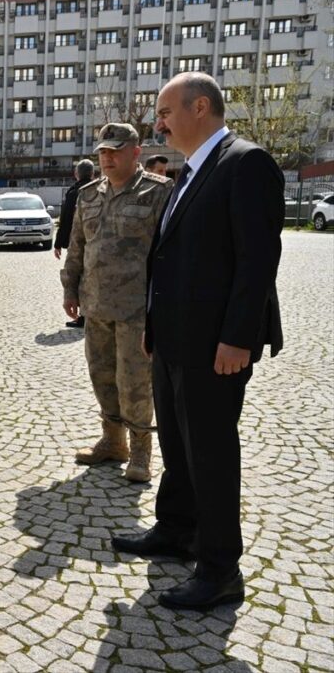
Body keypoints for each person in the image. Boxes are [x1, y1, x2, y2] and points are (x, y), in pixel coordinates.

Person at [112, 72, 284, 611]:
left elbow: (257, 261)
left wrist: (238, 338)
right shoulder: (193, 169)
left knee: (210, 453)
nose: (157, 122)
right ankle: (176, 529)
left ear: (200, 107)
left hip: (216, 348)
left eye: (164, 112)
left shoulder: (245, 162)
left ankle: (219, 569)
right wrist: (153, 326)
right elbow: (171, 256)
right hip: (174, 340)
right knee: (179, 447)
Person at [61, 123, 173, 483]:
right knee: (102, 377)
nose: (107, 157)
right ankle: (113, 442)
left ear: (136, 152)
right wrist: (70, 289)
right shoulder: (89, 194)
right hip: (95, 305)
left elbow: (169, 253)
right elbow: (78, 247)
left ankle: (141, 451)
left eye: (115, 150)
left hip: (137, 310)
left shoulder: (159, 192)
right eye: (102, 152)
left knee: (135, 381)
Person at [53, 158, 96, 328]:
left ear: (76, 174)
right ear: (93, 174)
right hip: (95, 242)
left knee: (78, 278)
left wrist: (58, 243)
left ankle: (83, 316)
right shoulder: (101, 190)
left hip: (78, 243)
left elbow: (66, 220)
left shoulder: (74, 192)